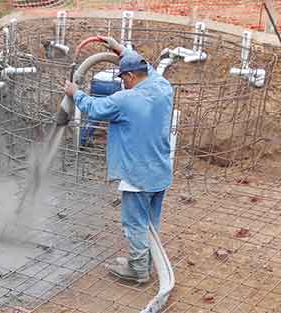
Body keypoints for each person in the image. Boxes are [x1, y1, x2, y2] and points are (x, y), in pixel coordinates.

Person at [58, 37, 173, 283]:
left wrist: (74, 92)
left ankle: (138, 270)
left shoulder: (126, 100)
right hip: (160, 172)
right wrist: (121, 50)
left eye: (123, 78)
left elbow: (94, 107)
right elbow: (148, 68)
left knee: (134, 224)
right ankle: (146, 263)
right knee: (150, 223)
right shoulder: (163, 86)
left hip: (137, 175)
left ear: (130, 77)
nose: (123, 83)